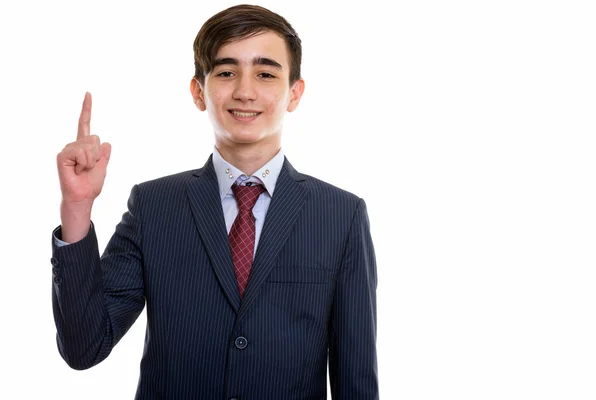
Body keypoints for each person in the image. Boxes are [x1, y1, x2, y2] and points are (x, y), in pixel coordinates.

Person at [51, 4, 378, 399]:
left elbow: (356, 379)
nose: (244, 91)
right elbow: (85, 347)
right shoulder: (154, 206)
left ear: (294, 92)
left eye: (266, 73)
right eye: (226, 72)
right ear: (198, 91)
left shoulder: (340, 215)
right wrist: (77, 209)